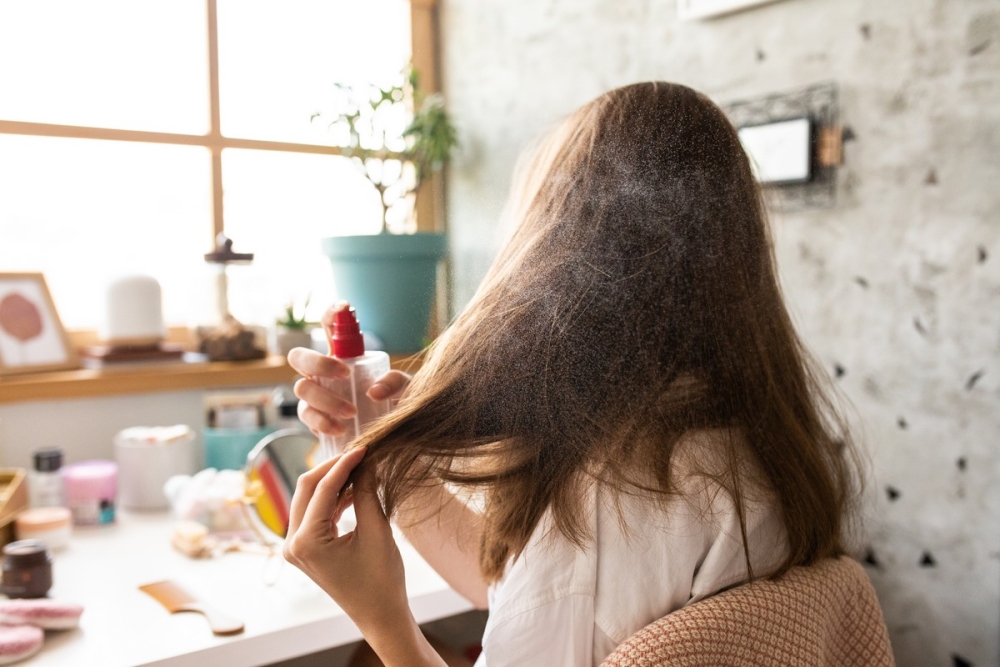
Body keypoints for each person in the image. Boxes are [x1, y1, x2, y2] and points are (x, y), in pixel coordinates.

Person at [283, 81, 863, 667]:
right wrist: (389, 449)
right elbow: (526, 593)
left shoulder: (618, 496)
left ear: (559, 260)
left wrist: (382, 619)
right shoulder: (747, 446)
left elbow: (563, 591)